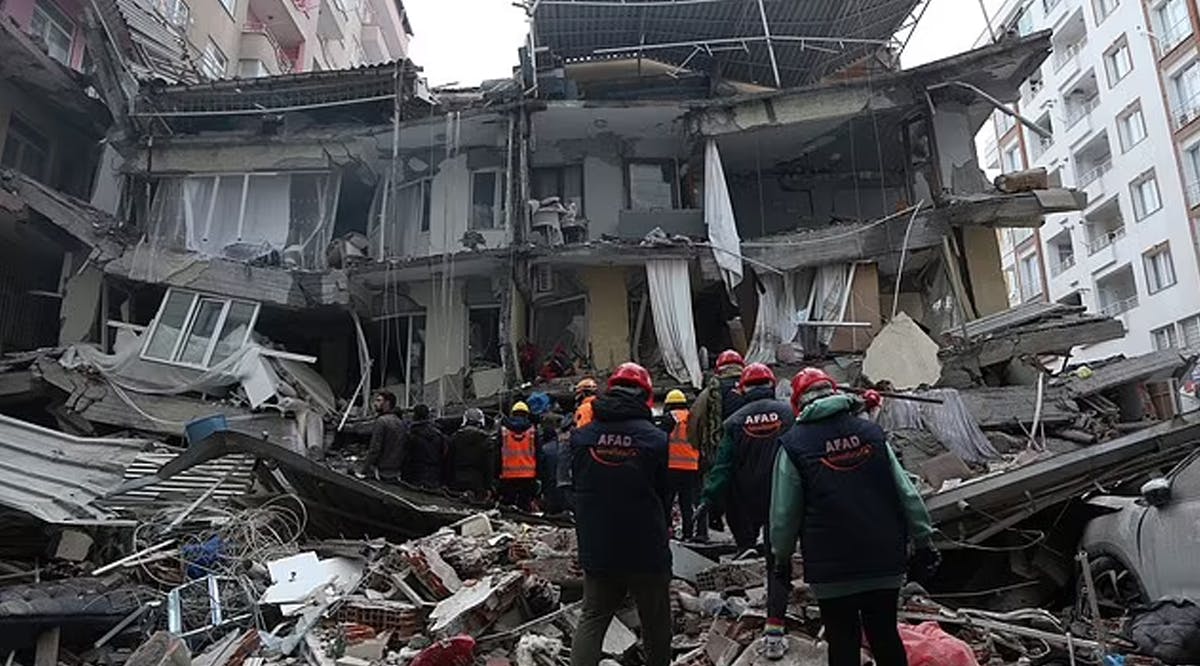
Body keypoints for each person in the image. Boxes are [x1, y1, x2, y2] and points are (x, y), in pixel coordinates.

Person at [765, 368, 938, 664]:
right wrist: (923, 540)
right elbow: (907, 493)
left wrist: (780, 559)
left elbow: (783, 514)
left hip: (832, 567)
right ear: (834, 392)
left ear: (797, 403)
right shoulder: (871, 434)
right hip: (883, 558)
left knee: (842, 641)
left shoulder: (794, 445)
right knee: (885, 635)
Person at [569, 362, 672, 666]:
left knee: (593, 616)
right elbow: (665, 495)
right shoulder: (656, 440)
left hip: (598, 544)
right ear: (646, 397)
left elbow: (575, 486)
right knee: (655, 622)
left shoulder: (582, 438)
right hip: (646, 547)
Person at [689, 349, 746, 539]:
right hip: (749, 450)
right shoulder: (751, 387)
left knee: (716, 489)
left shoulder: (711, 391)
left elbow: (695, 420)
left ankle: (710, 526)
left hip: (719, 449)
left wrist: (699, 449)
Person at [662, 389, 700, 541]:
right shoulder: (692, 418)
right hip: (691, 466)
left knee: (667, 502)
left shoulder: (669, 418)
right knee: (686, 503)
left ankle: (668, 530)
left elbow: (661, 439)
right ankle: (688, 534)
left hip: (672, 466)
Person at [358, 390, 408, 480]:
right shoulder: (401, 422)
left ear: (387, 403)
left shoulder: (381, 421)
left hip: (381, 471)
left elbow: (375, 449)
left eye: (378, 400)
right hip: (396, 470)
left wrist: (364, 469)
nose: (375, 403)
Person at [497, 401, 539, 510]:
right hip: (528, 475)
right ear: (527, 414)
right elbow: (538, 453)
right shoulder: (532, 431)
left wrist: (497, 473)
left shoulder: (504, 431)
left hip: (508, 475)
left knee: (507, 508)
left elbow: (497, 453)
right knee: (525, 506)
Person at [447, 408, 494, 499]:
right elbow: (489, 466)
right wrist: (489, 486)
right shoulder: (486, 440)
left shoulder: (454, 438)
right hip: (478, 482)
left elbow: (449, 462)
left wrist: (448, 482)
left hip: (457, 480)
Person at [404, 403, 448, 488]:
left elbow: (406, 455)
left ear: (415, 416)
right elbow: (443, 454)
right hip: (434, 474)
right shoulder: (438, 434)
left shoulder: (411, 434)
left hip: (416, 473)